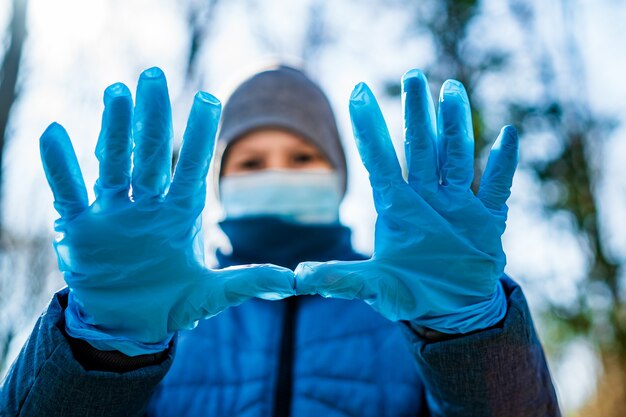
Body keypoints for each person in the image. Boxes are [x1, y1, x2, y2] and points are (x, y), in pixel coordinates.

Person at [0, 64, 561, 417]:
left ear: (340, 176)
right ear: (219, 183)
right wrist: (102, 350)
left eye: (301, 157)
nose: (278, 171)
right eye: (251, 161)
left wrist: (468, 334)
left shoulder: (405, 311)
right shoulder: (168, 318)